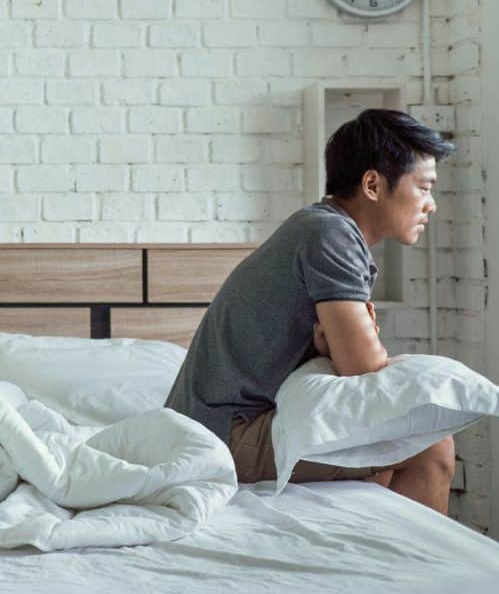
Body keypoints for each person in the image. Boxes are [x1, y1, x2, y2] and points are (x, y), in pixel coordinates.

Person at [165, 109, 458, 513]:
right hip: (219, 436)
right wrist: (342, 350)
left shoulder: (321, 228)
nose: (432, 205)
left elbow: (351, 364)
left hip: (210, 425)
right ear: (372, 184)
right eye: (424, 188)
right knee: (429, 445)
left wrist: (331, 349)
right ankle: (427, 574)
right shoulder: (331, 235)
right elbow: (364, 369)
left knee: (384, 451)